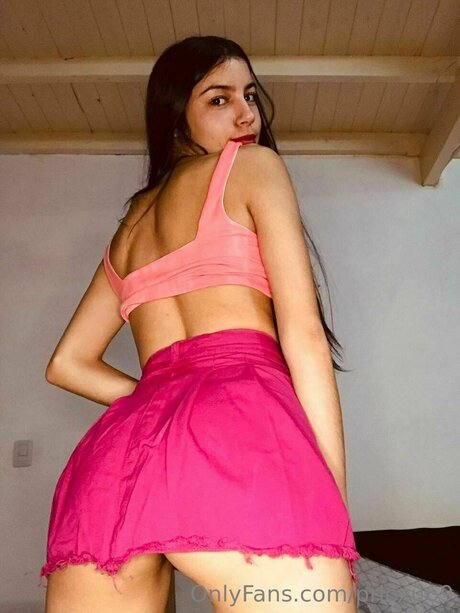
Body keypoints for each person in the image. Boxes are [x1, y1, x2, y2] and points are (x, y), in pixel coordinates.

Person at [39, 36, 360, 612]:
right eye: (219, 99)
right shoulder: (252, 167)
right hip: (240, 432)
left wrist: (162, 402)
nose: (246, 115)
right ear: (174, 113)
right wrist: (332, 498)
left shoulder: (131, 224)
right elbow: (305, 338)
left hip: (115, 466)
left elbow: (67, 364)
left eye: (250, 96)